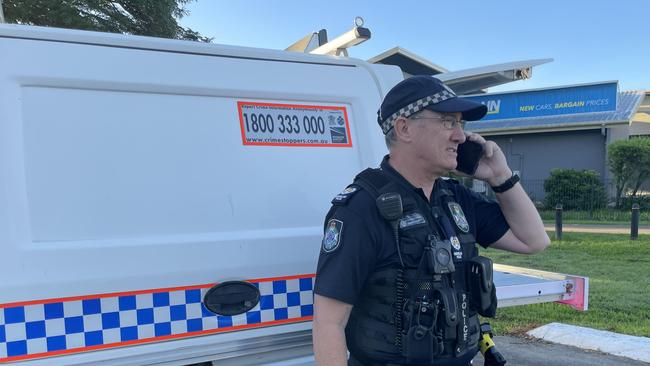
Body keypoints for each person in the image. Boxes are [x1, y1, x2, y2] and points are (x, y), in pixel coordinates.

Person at [312, 75, 550, 366]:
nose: (461, 136)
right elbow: (328, 322)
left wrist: (501, 177)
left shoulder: (456, 199)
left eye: (461, 124)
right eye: (448, 121)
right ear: (404, 128)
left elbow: (533, 240)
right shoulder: (361, 208)